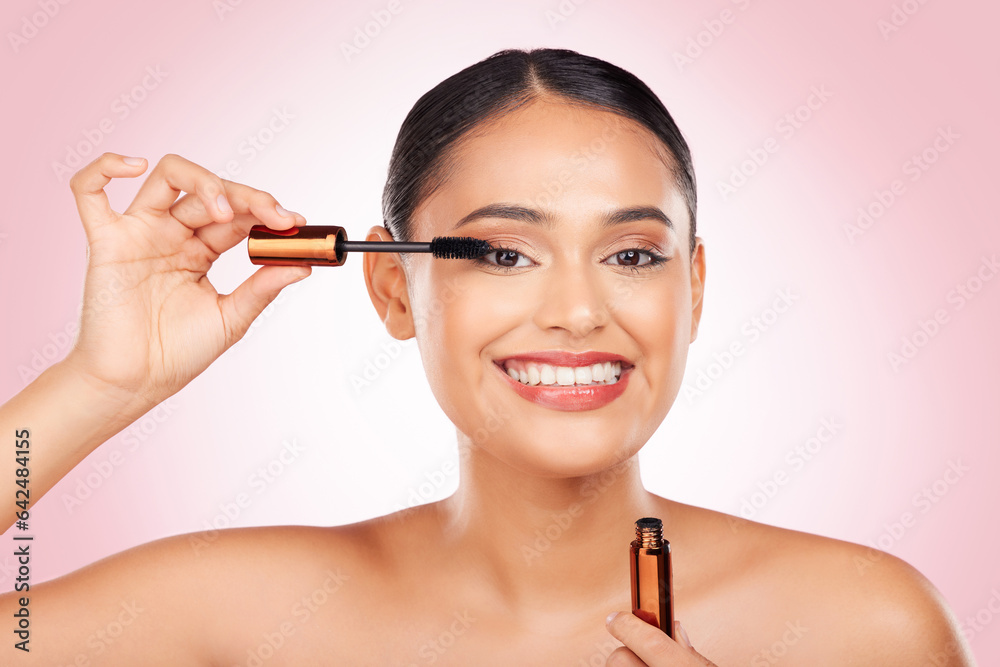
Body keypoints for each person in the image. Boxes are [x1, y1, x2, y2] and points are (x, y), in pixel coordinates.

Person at [0, 48, 974, 666]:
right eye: (504, 252)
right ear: (393, 289)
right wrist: (101, 382)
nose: (579, 308)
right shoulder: (243, 611)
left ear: (693, 287)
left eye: (632, 254)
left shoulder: (861, 627)